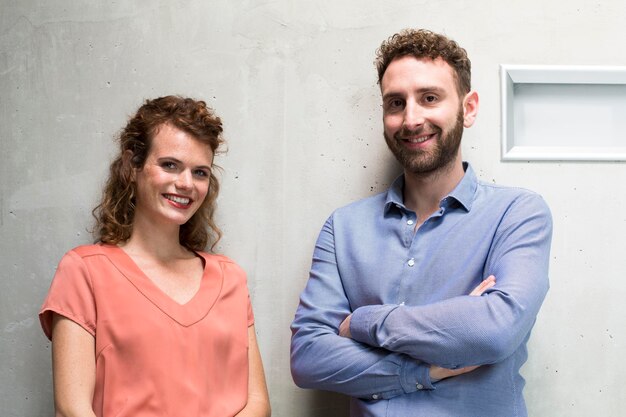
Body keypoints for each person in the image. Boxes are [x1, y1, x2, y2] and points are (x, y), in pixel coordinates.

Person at [290, 29, 552, 416]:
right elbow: (309, 358)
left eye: (429, 98)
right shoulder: (343, 228)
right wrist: (429, 368)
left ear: (470, 107)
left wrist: (362, 321)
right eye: (396, 103)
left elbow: (494, 331)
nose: (411, 119)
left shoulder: (517, 213)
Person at [40, 96, 271, 417]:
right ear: (132, 167)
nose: (186, 183)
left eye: (200, 172)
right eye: (170, 165)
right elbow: (72, 409)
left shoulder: (230, 277)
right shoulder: (85, 271)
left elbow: (257, 404)